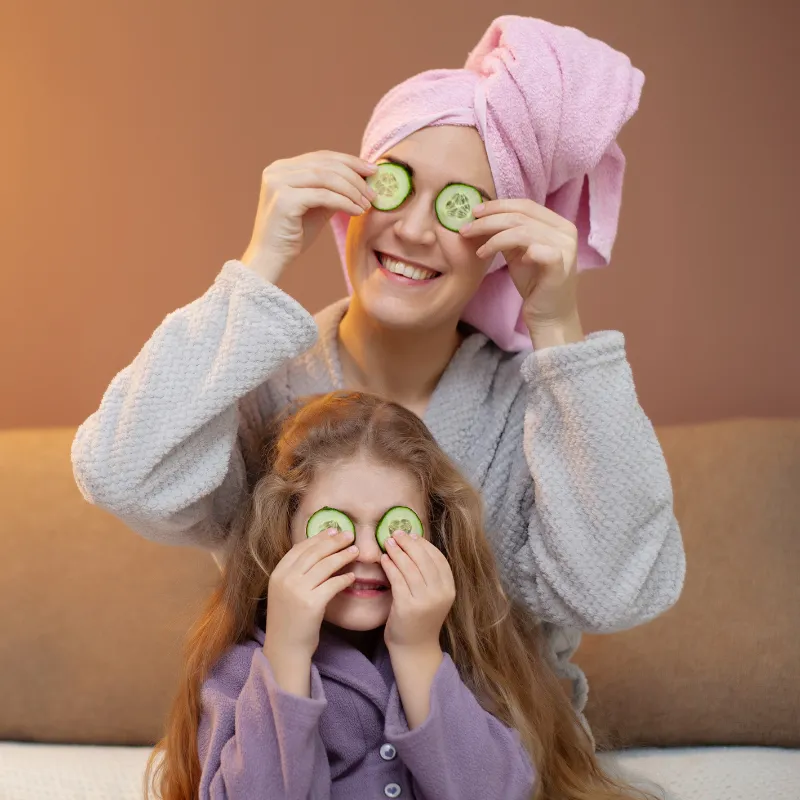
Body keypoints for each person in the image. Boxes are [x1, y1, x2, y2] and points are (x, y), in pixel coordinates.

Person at [72, 16, 685, 712]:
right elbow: (120, 475)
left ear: (500, 240)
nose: (418, 229)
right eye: (398, 183)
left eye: (462, 207)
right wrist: (259, 264)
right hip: (297, 762)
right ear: (355, 191)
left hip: (499, 766)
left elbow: (619, 591)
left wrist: (559, 328)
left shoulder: (536, 412)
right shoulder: (257, 380)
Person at [146, 391, 656, 800]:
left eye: (394, 526)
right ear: (286, 532)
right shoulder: (242, 668)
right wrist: (286, 651)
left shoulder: (461, 652)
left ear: (434, 535)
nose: (367, 552)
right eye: (335, 526)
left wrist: (417, 651)